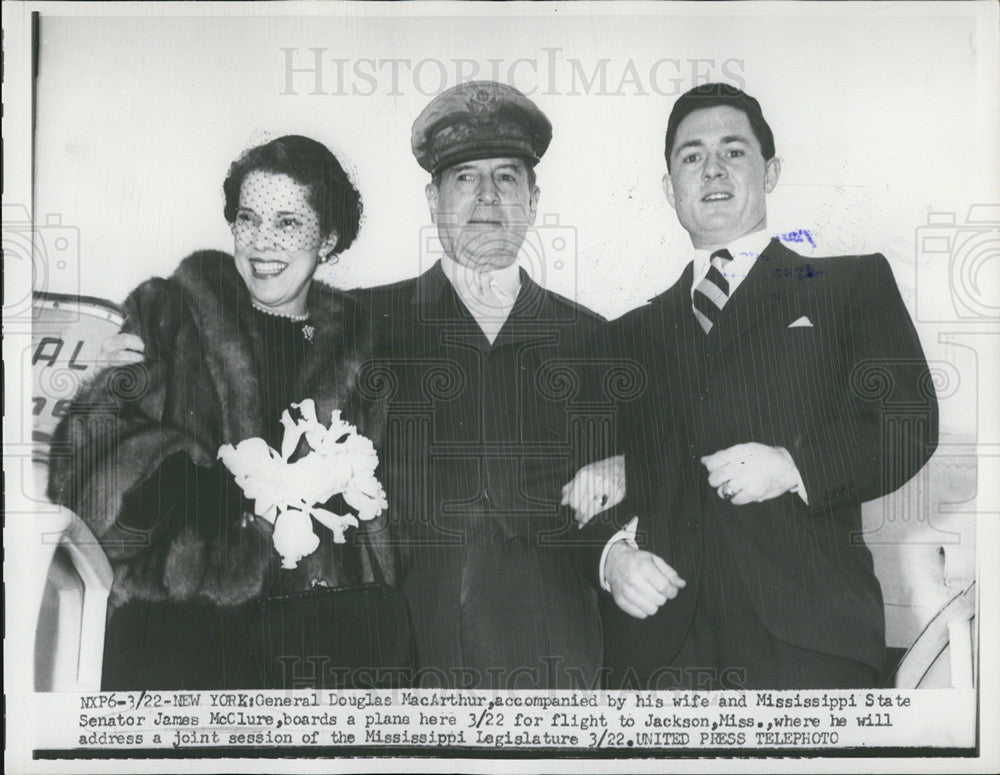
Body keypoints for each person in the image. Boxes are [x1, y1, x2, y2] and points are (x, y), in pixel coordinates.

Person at [574, 84, 939, 690]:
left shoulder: (848, 285)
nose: (712, 169)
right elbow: (573, 476)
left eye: (733, 151)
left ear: (771, 172)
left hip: (811, 641)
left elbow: (909, 423)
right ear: (669, 187)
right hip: (661, 651)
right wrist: (611, 558)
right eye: (691, 156)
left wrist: (795, 466)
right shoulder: (625, 336)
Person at [47, 135, 396, 690]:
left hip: (317, 620)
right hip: (186, 612)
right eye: (248, 218)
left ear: (327, 239)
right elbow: (83, 474)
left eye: (287, 223)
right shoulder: (170, 310)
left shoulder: (360, 345)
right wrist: (191, 479)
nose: (261, 242)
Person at [352, 81, 608, 689]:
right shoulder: (362, 325)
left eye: (507, 178)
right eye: (465, 177)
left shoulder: (592, 338)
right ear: (432, 196)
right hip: (397, 652)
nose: (488, 196)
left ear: (534, 199)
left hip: (551, 660)